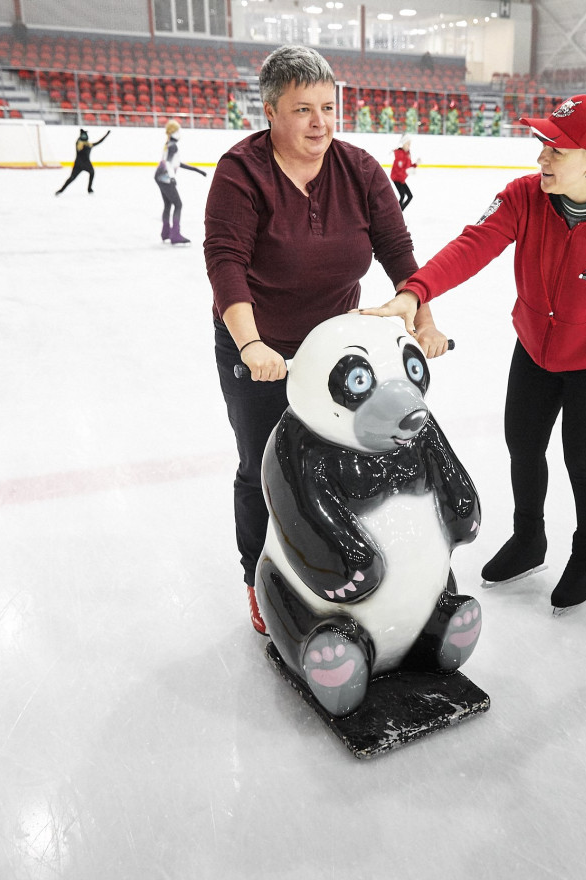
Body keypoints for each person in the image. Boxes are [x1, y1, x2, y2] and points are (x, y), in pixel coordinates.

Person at [362, 94, 586, 616]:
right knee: (523, 446)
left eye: (556, 149)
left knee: (583, 458)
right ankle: (530, 538)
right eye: (542, 145)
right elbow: (473, 244)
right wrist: (415, 292)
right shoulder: (524, 198)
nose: (541, 159)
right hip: (535, 348)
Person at [202, 45, 448, 635]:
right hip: (261, 348)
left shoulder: (359, 169)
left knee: (341, 463)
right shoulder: (242, 172)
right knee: (262, 464)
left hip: (336, 351)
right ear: (270, 112)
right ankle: (257, 577)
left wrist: (425, 319)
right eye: (303, 109)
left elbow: (399, 253)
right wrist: (250, 344)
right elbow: (225, 262)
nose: (320, 123)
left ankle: (336, 571)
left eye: (329, 108)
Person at [155, 120, 208, 244]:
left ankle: (165, 233)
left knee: (168, 204)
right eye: (177, 130)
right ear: (173, 132)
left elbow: (176, 163)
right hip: (165, 178)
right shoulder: (173, 145)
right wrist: (172, 177)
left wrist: (196, 170)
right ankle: (175, 234)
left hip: (159, 176)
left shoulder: (169, 143)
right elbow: (168, 163)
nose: (179, 133)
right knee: (178, 204)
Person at [54, 128, 108, 195]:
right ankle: (89, 189)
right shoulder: (86, 144)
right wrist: (107, 134)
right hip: (86, 164)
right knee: (92, 173)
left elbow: (98, 141)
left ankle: (61, 190)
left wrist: (81, 133)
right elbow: (99, 142)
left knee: (72, 177)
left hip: (78, 164)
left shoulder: (80, 144)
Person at [390, 135, 418, 210]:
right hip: (397, 178)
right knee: (403, 195)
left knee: (409, 196)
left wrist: (416, 164)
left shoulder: (407, 154)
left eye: (410, 144)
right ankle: (397, 213)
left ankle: (399, 212)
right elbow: (399, 169)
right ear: (403, 143)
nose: (409, 145)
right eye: (407, 143)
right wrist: (407, 171)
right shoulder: (400, 154)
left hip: (401, 179)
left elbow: (408, 166)